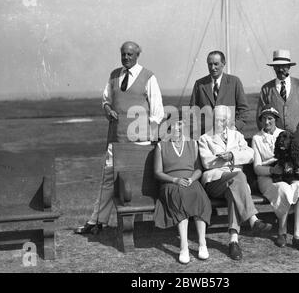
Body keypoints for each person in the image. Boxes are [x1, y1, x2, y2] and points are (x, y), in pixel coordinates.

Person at [74, 41, 164, 234]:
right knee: (107, 178)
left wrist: (147, 137)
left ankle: (139, 224)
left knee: (139, 182)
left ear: (137, 55)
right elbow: (106, 100)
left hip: (140, 142)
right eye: (123, 54)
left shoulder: (149, 77)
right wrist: (108, 110)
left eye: (130, 54)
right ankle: (97, 221)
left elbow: (158, 113)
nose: (126, 58)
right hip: (116, 139)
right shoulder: (114, 75)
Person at [198, 105, 272, 261]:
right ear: (213, 120)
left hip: (234, 183)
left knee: (235, 188)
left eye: (224, 120)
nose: (222, 123)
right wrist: (222, 160)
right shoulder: (205, 138)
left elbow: (250, 154)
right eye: (218, 120)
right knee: (238, 176)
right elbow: (206, 162)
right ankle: (253, 219)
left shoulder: (237, 136)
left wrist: (232, 155)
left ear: (229, 120)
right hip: (215, 181)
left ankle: (233, 241)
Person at [252, 105, 299, 253]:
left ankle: (297, 236)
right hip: (267, 177)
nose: (266, 122)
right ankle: (282, 231)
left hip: (289, 174)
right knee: (283, 188)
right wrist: (273, 170)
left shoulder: (286, 134)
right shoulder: (257, 138)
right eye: (264, 119)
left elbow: (298, 156)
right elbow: (257, 168)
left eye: (270, 118)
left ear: (276, 120)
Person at [153, 119, 212, 264]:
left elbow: (199, 169)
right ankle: (184, 246)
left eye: (180, 126)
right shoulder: (161, 145)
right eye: (173, 126)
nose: (177, 129)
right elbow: (157, 173)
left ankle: (202, 243)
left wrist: (192, 179)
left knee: (198, 195)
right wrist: (175, 180)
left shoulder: (192, 143)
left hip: (190, 181)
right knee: (180, 195)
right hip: (171, 183)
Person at [257, 49, 299, 166]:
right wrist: (267, 137)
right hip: (276, 143)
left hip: (298, 140)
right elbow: (260, 116)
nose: (280, 69)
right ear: (273, 68)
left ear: (289, 67)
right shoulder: (266, 89)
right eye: (277, 67)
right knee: (280, 175)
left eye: (284, 66)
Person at [189, 51, 250, 135]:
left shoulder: (234, 82)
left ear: (223, 64)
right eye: (210, 64)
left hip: (228, 135)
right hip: (205, 136)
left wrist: (235, 127)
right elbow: (193, 111)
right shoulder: (199, 84)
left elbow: (244, 110)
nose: (213, 67)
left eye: (216, 64)